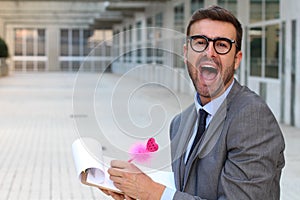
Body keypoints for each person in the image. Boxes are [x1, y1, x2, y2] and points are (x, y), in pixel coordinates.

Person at [103, 5, 285, 200]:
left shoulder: (253, 119)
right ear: (185, 52)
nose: (210, 52)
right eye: (200, 42)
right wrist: (135, 189)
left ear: (237, 59)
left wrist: (152, 193)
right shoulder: (180, 123)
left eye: (222, 45)